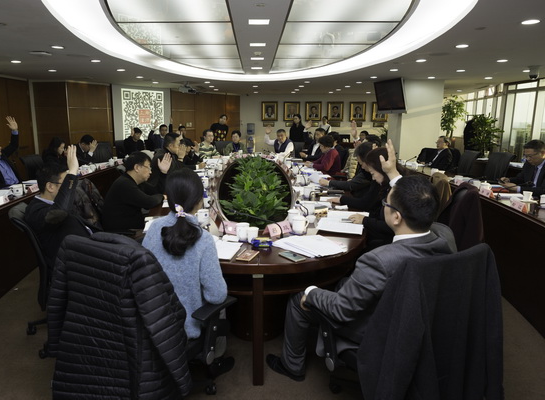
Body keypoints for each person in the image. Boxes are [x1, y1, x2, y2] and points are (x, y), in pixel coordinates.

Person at [266, 173, 456, 382]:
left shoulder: (379, 261)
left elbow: (341, 309)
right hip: (417, 322)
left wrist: (311, 292)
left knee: (298, 298)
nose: (384, 207)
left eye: (386, 203)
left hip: (377, 329)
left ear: (396, 217)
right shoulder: (445, 236)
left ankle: (292, 365)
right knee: (342, 282)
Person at [142, 168, 227, 340]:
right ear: (199, 201)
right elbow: (216, 296)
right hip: (185, 330)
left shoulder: (154, 228)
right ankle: (215, 351)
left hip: (150, 324)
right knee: (222, 309)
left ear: (169, 198)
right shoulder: (204, 239)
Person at [24, 145, 92, 273]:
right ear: (50, 187)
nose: (69, 188)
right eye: (65, 183)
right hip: (76, 263)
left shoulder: (55, 202)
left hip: (88, 247)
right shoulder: (35, 210)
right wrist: (72, 172)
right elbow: (59, 212)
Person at [348, 146, 408, 249]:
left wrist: (365, 220)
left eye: (373, 173)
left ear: (381, 170)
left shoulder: (399, 191)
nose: (373, 178)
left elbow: (390, 226)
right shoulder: (386, 186)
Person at [102, 152, 165, 232]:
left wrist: (163, 173)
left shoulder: (137, 181)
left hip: (133, 222)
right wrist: (163, 197)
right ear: (137, 167)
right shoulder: (124, 184)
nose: (150, 172)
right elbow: (148, 202)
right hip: (123, 231)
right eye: (148, 167)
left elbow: (156, 192)